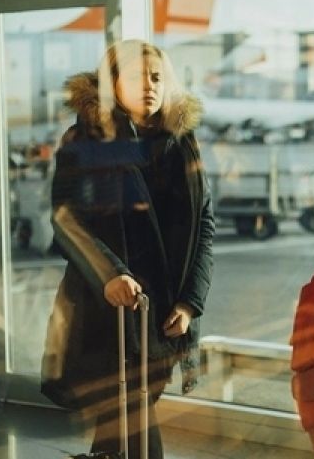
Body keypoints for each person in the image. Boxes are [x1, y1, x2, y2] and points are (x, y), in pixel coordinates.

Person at [47, 39, 214, 459]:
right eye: (137, 77)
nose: (150, 86)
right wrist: (110, 273)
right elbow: (67, 219)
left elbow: (204, 224)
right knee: (129, 414)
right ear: (113, 83)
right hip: (109, 305)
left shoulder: (182, 142)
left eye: (157, 77)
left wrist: (190, 301)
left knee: (123, 421)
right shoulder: (84, 140)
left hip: (163, 311)